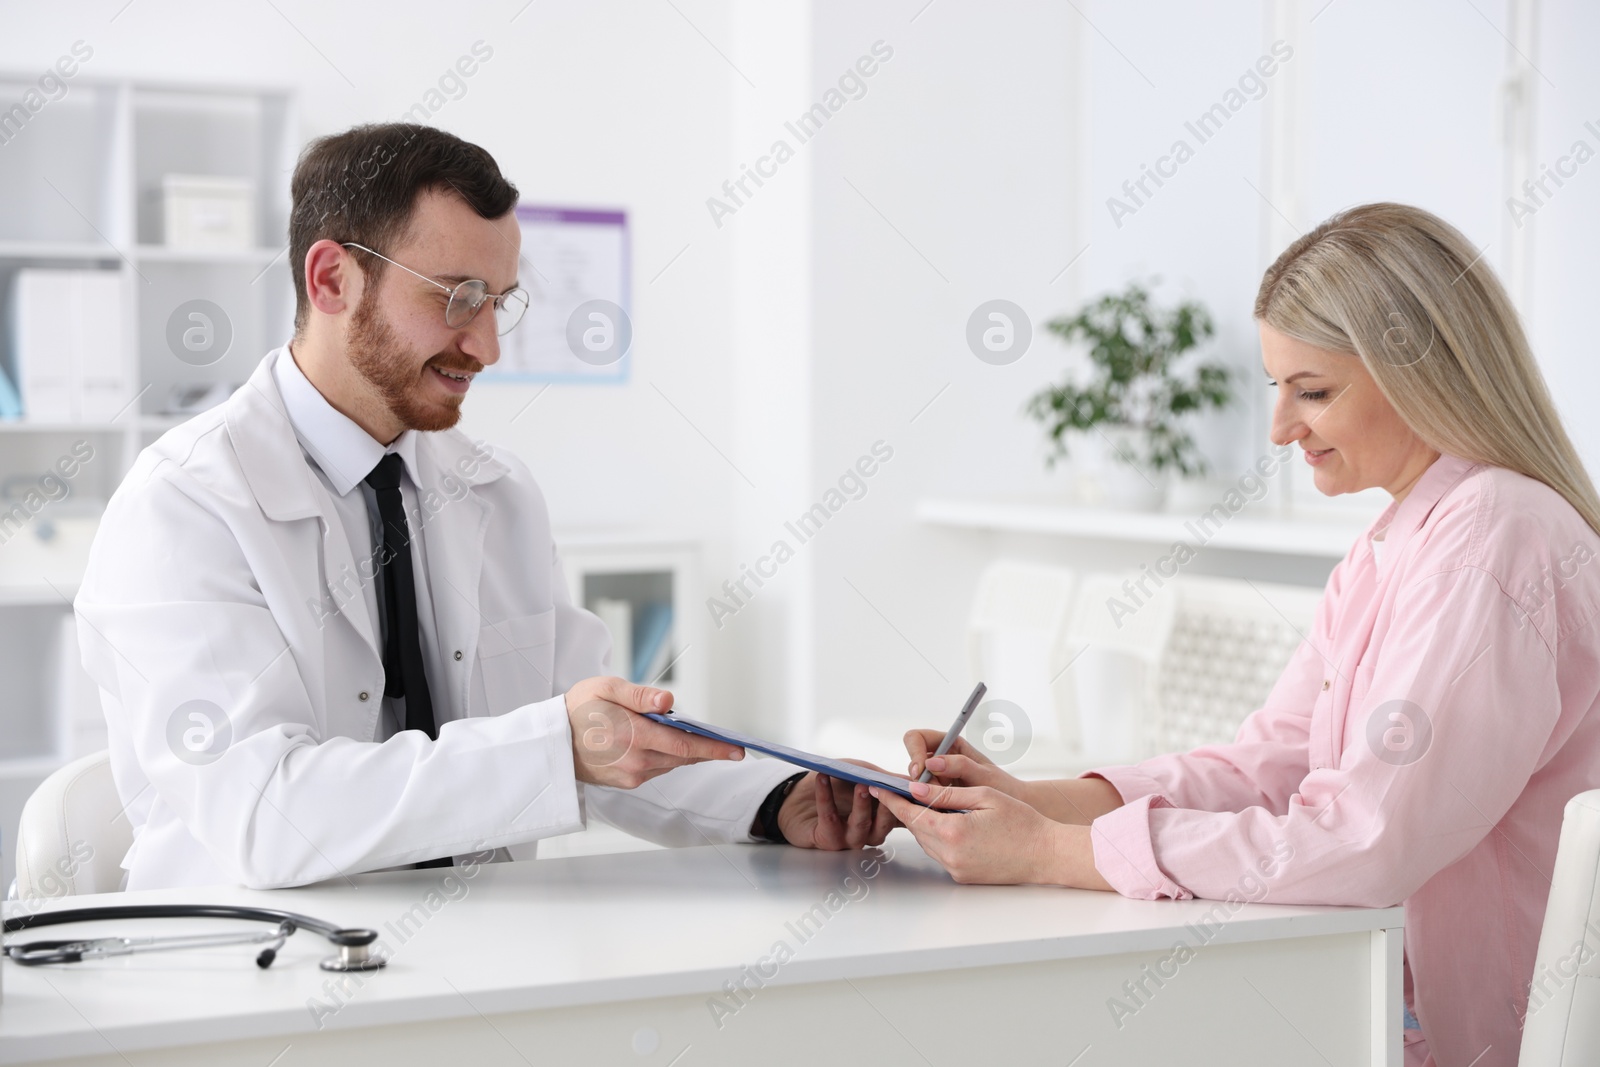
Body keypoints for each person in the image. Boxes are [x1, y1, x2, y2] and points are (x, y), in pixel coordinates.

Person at [871, 203, 1600, 1067]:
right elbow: (1273, 764)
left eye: (1314, 391)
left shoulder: (1491, 542)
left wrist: (1052, 853)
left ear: (1421, 371)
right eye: (1276, 387)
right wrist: (1037, 801)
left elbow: (1367, 837)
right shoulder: (1399, 544)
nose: (1280, 429)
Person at [75, 123, 893, 892]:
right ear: (332, 279)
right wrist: (551, 744)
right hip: (250, 975)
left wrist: (775, 799)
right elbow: (269, 813)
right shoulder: (183, 507)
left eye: (497, 302)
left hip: (478, 946)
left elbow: (601, 736)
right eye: (456, 296)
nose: (488, 347)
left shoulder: (495, 492)